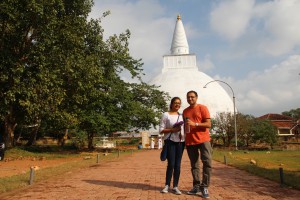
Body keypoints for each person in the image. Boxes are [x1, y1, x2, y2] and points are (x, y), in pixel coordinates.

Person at [183, 90, 212, 199]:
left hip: (203, 140)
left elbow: (208, 124)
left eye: (192, 97)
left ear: (196, 97)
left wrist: (194, 124)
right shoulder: (185, 111)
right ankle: (196, 186)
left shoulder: (202, 108)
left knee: (207, 162)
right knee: (194, 165)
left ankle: (204, 186)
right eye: (188, 97)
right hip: (190, 141)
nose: (190, 99)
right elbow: (186, 126)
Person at [159, 97, 185, 195]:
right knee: (171, 164)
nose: (177, 105)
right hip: (170, 141)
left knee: (178, 165)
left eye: (179, 103)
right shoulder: (166, 115)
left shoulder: (182, 115)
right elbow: (161, 130)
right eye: (175, 103)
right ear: (171, 104)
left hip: (180, 142)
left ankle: (175, 186)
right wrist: (172, 130)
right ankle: (166, 185)